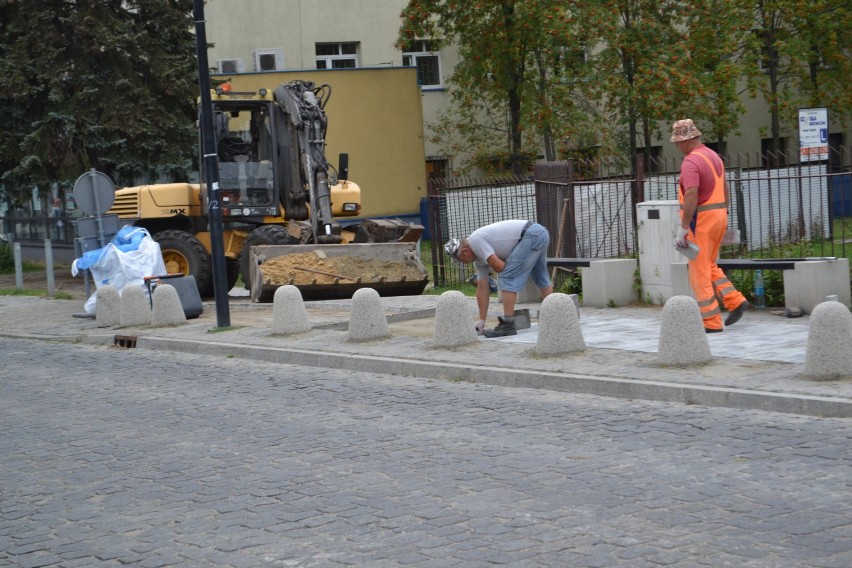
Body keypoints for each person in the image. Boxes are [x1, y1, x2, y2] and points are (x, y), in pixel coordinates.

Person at [671, 119, 748, 333]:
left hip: (701, 221)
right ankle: (735, 300)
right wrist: (724, 213)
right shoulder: (714, 156)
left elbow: (691, 194)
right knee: (710, 264)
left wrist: (684, 228)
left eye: (677, 142)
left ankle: (711, 322)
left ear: (685, 140)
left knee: (699, 271)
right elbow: (724, 187)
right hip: (719, 216)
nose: (676, 146)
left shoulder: (691, 162)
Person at [445, 219, 553, 337]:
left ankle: (508, 325)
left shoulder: (475, 241)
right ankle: (554, 317)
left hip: (531, 235)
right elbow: (482, 288)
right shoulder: (478, 261)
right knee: (541, 278)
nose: (463, 263)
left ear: (465, 251)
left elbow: (500, 267)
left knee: (507, 276)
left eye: (460, 259)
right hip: (539, 233)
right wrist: (481, 321)